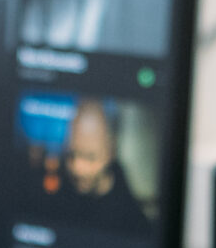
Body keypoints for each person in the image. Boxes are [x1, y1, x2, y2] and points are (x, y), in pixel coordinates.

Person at [62, 98, 150, 230]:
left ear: (111, 150)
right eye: (71, 154)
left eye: (90, 157)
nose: (77, 168)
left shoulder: (133, 222)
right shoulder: (56, 198)